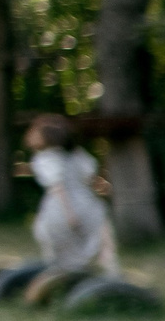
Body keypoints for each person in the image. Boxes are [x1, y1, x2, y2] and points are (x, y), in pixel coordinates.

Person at [25, 114, 117, 275]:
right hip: (89, 206)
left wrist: (69, 213)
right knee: (100, 243)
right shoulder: (77, 155)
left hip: (61, 209)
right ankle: (108, 273)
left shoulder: (46, 158)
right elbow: (91, 179)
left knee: (55, 241)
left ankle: (63, 275)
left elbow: (58, 187)